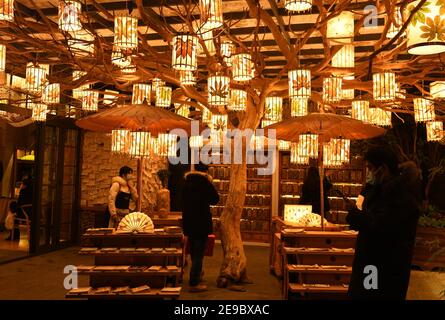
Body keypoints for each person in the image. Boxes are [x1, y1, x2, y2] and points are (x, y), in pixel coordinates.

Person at [346, 148, 419, 300]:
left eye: (371, 168)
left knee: (368, 295)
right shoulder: (381, 193)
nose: (369, 173)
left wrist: (354, 214)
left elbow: (377, 226)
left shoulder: (398, 199)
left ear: (383, 169)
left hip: (380, 267)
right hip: (374, 265)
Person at [181, 163, 219, 292]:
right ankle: (194, 282)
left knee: (193, 251)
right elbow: (215, 199)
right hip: (201, 221)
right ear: (206, 172)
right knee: (199, 253)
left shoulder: (186, 182)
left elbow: (181, 200)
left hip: (189, 221)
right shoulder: (205, 183)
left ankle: (196, 275)